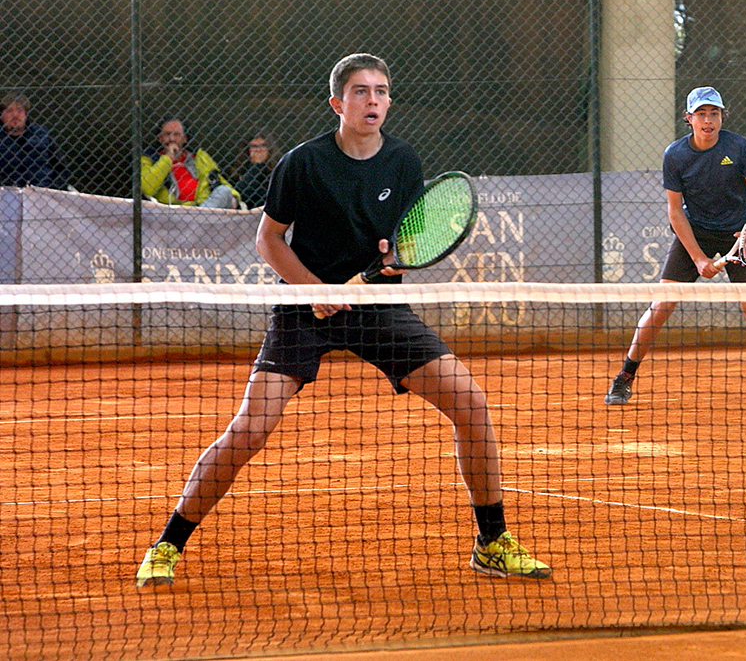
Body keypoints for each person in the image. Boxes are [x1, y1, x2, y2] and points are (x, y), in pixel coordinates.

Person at [135, 53, 551, 587]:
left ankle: (492, 542)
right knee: (251, 428)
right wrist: (315, 291)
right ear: (338, 103)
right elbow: (268, 240)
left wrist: (388, 258)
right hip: (303, 311)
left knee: (469, 402)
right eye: (360, 91)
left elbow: (402, 241)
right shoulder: (302, 163)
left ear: (388, 102)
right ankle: (168, 544)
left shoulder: (403, 161)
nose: (372, 100)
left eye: (380, 91)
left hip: (376, 309)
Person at [604, 86, 746, 405]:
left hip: (739, 234)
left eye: (714, 113)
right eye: (701, 114)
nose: (708, 120)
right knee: (661, 306)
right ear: (689, 118)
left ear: (722, 116)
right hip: (693, 232)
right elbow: (674, 211)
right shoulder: (676, 155)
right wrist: (697, 258)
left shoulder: (739, 147)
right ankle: (624, 376)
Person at [141, 116, 240, 208]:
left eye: (176, 134)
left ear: (184, 139)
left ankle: (199, 219)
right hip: (173, 211)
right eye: (167, 134)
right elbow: (147, 188)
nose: (171, 139)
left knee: (224, 191)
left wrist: (234, 197)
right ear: (160, 138)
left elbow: (220, 181)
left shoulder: (198, 157)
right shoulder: (149, 159)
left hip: (203, 207)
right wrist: (167, 159)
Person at [0, 92, 70, 190]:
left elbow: (61, 168)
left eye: (19, 110)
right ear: (1, 115)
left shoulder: (42, 135)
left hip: (43, 193)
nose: (15, 115)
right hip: (6, 194)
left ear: (26, 114)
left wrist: (53, 190)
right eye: (9, 111)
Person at [231, 131, 278, 209]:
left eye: (263, 145)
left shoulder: (277, 167)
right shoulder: (239, 169)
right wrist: (256, 166)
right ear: (247, 150)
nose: (259, 150)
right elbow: (240, 192)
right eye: (254, 146)